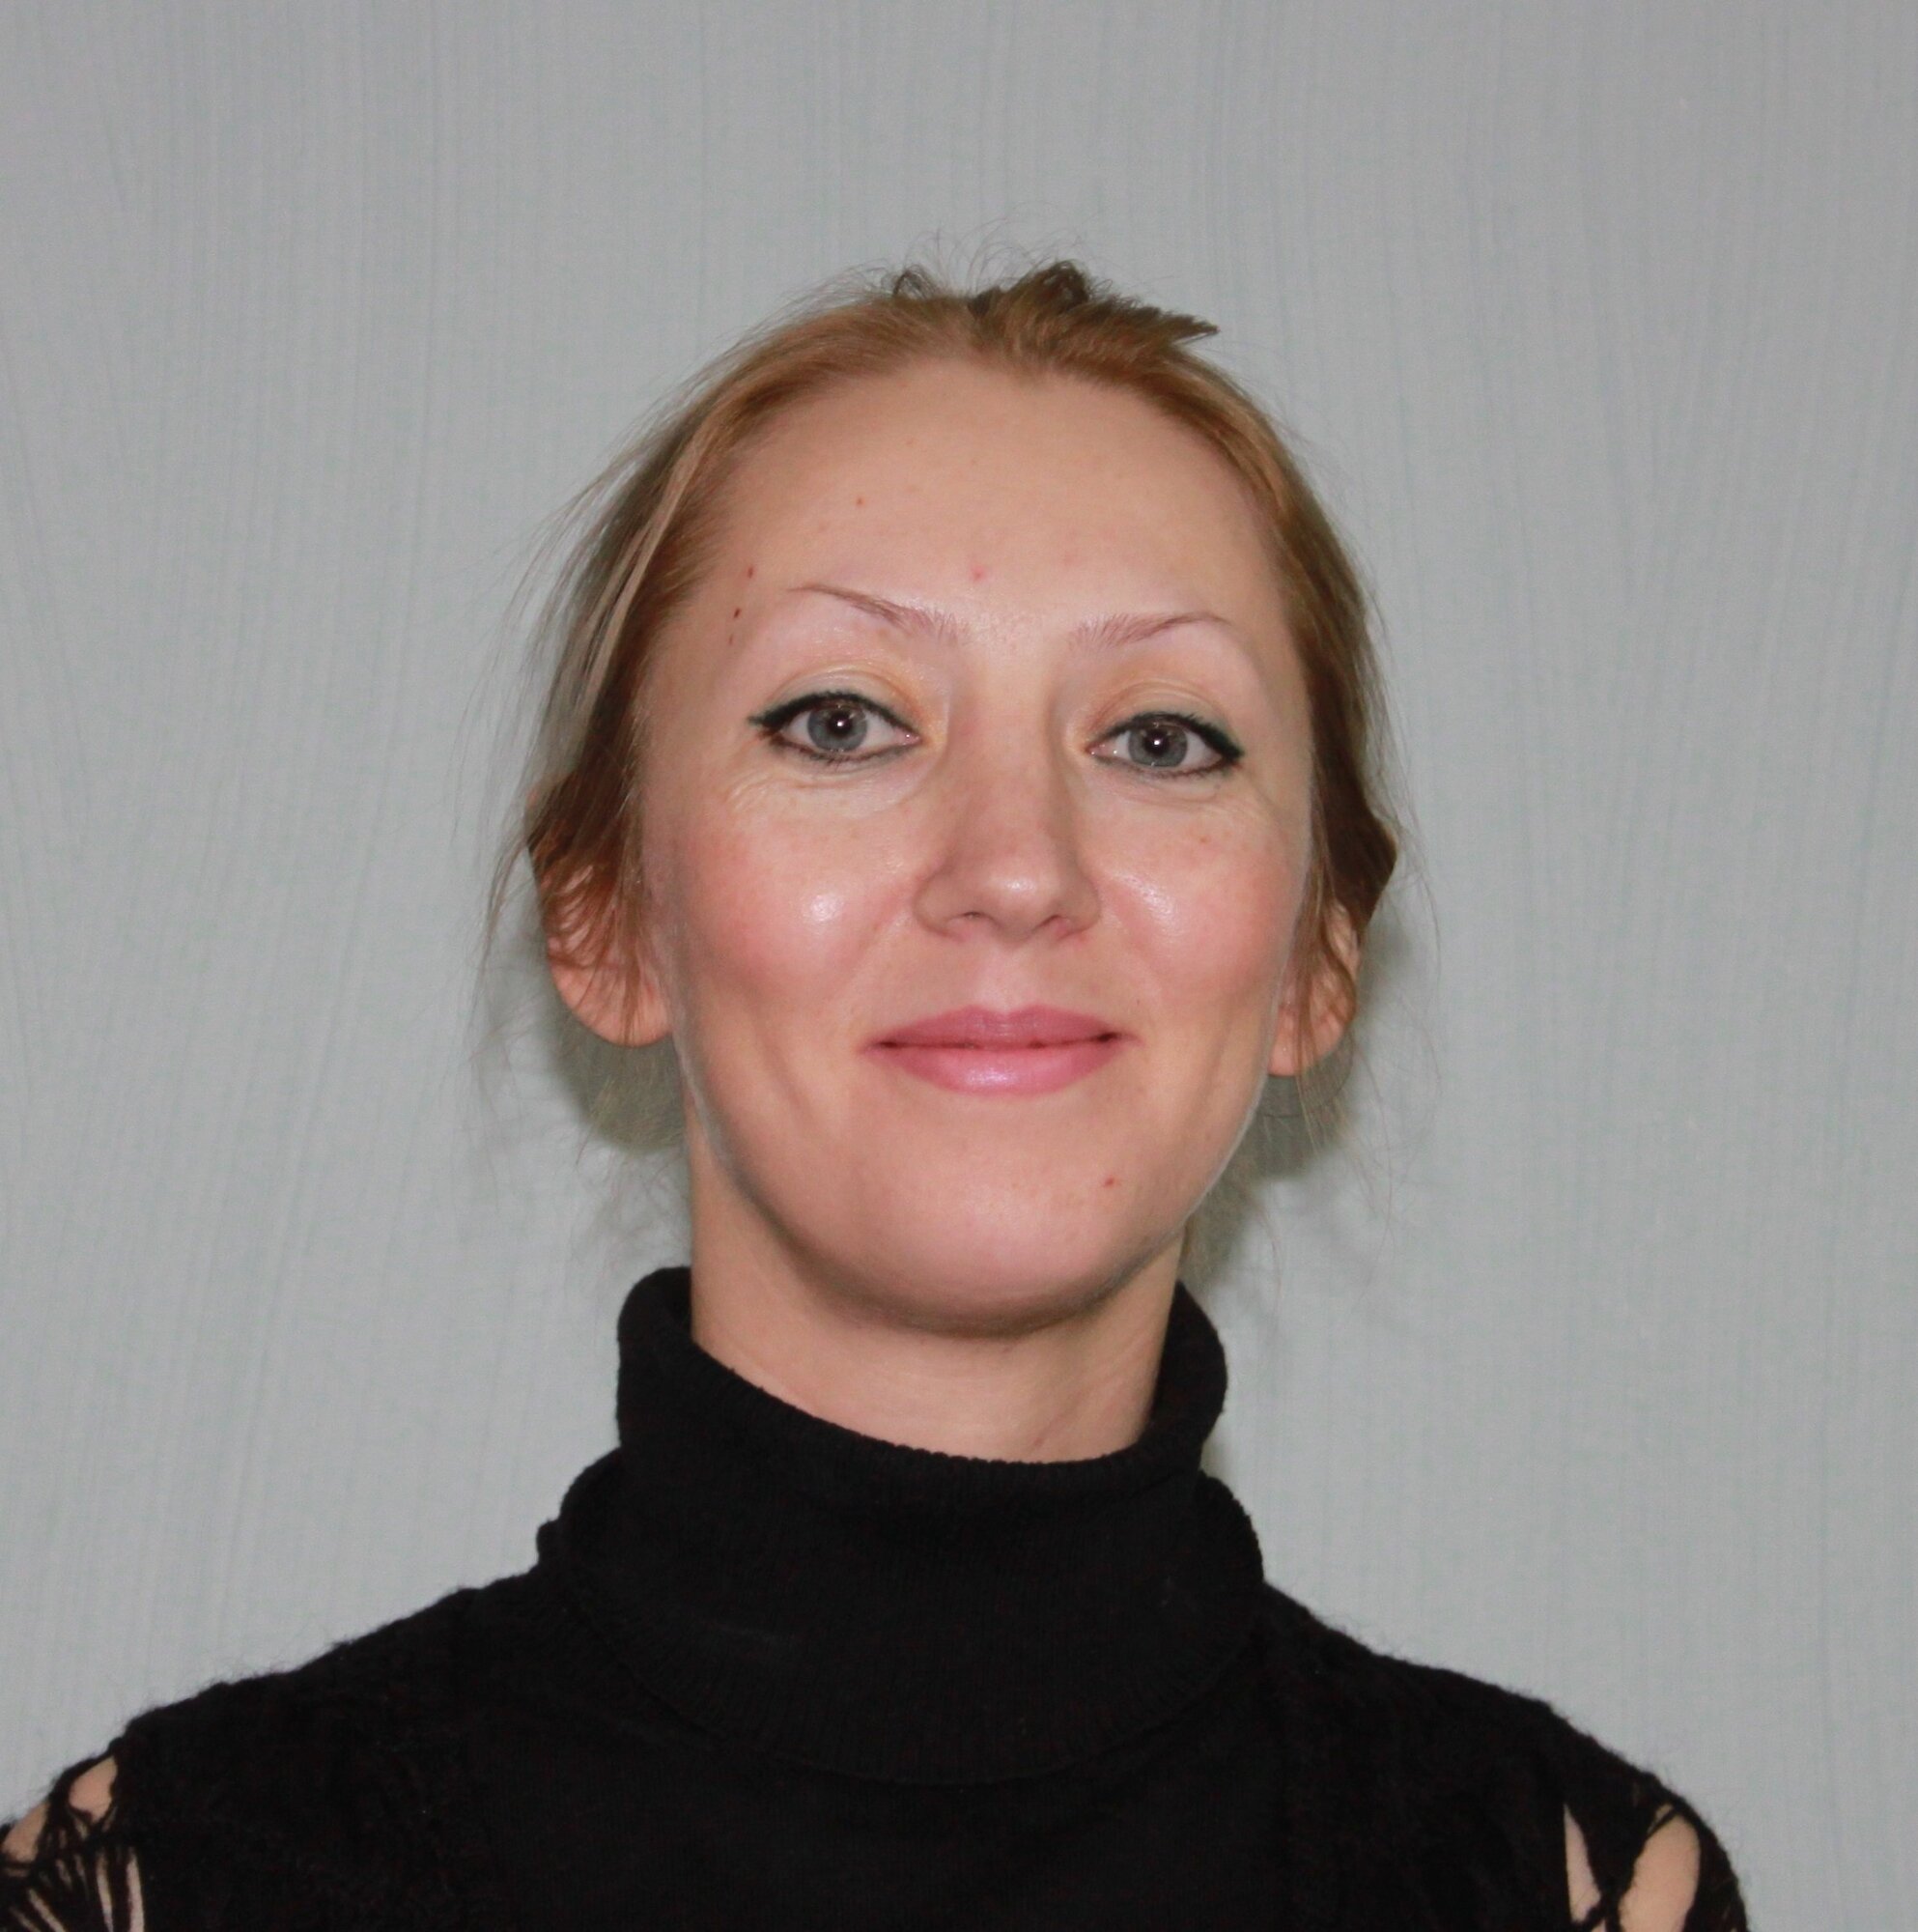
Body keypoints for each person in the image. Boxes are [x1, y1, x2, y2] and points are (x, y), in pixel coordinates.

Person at [1, 259, 1747, 1930]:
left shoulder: (1569, 1886)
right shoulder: (164, 1888)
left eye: (1160, 739)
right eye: (840, 722)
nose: (1014, 868)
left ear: (1316, 958)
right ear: (603, 916)